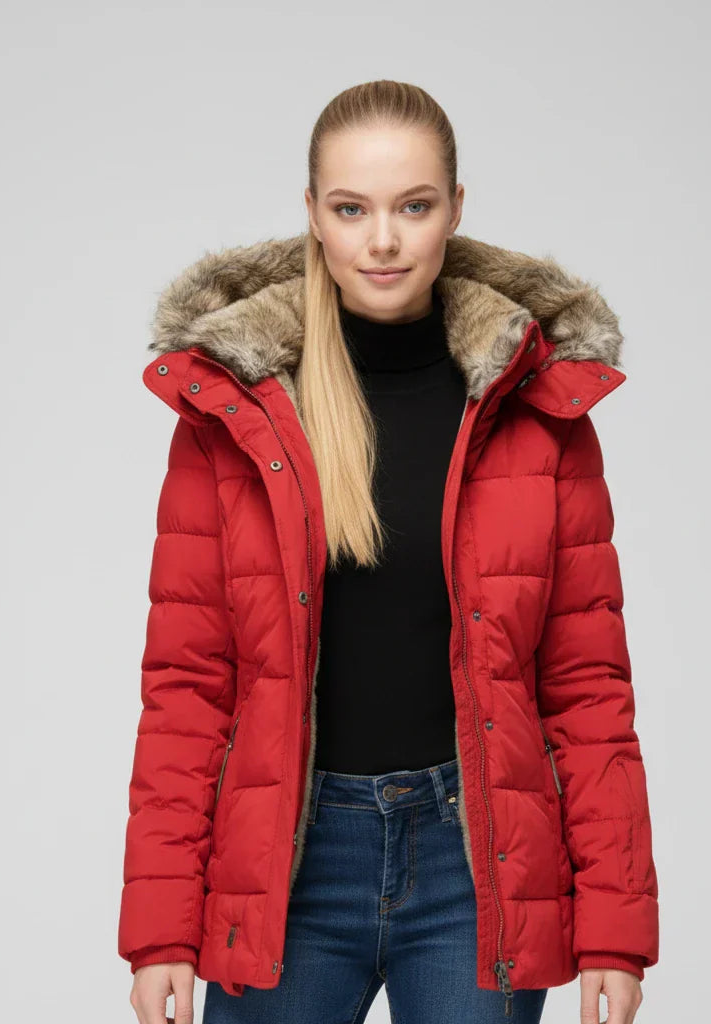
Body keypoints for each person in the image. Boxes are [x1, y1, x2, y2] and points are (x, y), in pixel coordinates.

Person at [119, 79, 659, 1024]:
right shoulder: (236, 410)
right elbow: (188, 686)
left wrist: (614, 930)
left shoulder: (537, 408)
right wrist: (161, 930)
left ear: (456, 209)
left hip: (477, 867)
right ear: (311, 215)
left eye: (413, 206)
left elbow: (586, 686)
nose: (382, 240)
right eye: (350, 209)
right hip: (286, 863)